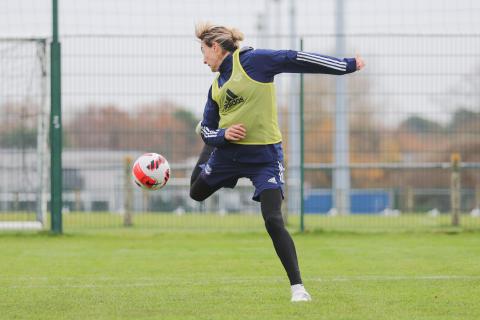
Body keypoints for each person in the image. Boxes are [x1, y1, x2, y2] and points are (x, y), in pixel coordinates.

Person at [190, 22, 365, 302]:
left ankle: (298, 289)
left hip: (265, 159)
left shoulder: (253, 62)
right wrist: (220, 136)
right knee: (195, 193)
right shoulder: (216, 87)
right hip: (228, 155)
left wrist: (345, 65)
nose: (203, 59)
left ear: (215, 47)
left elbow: (294, 58)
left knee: (273, 219)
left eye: (203, 52)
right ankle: (210, 153)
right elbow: (209, 129)